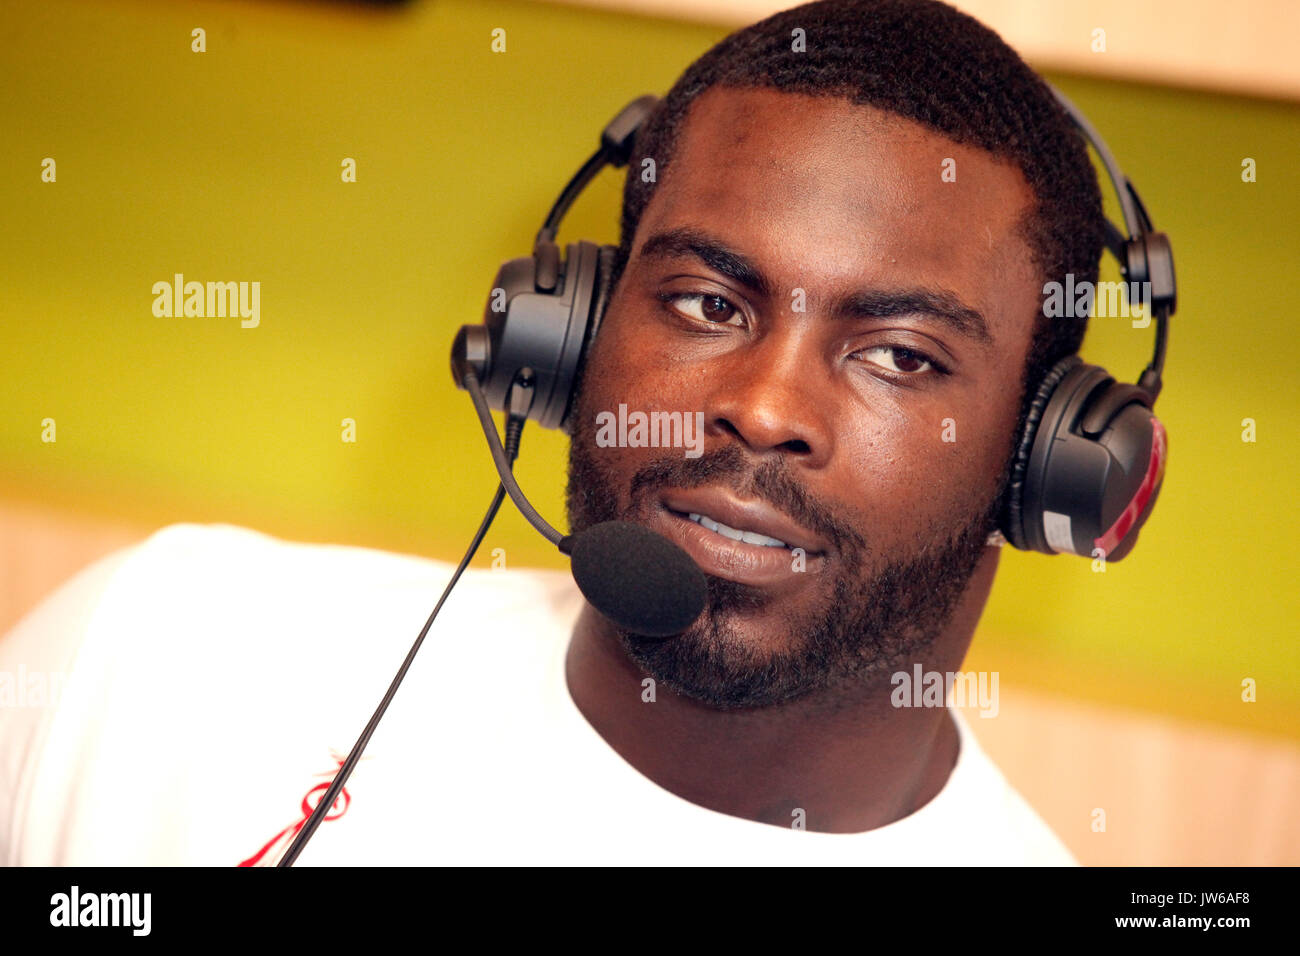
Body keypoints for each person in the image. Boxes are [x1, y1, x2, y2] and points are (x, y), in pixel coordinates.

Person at [0, 0, 1099, 865]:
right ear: (565, 338)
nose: (764, 407)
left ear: (1039, 463)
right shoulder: (150, 655)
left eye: (899, 355)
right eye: (708, 304)